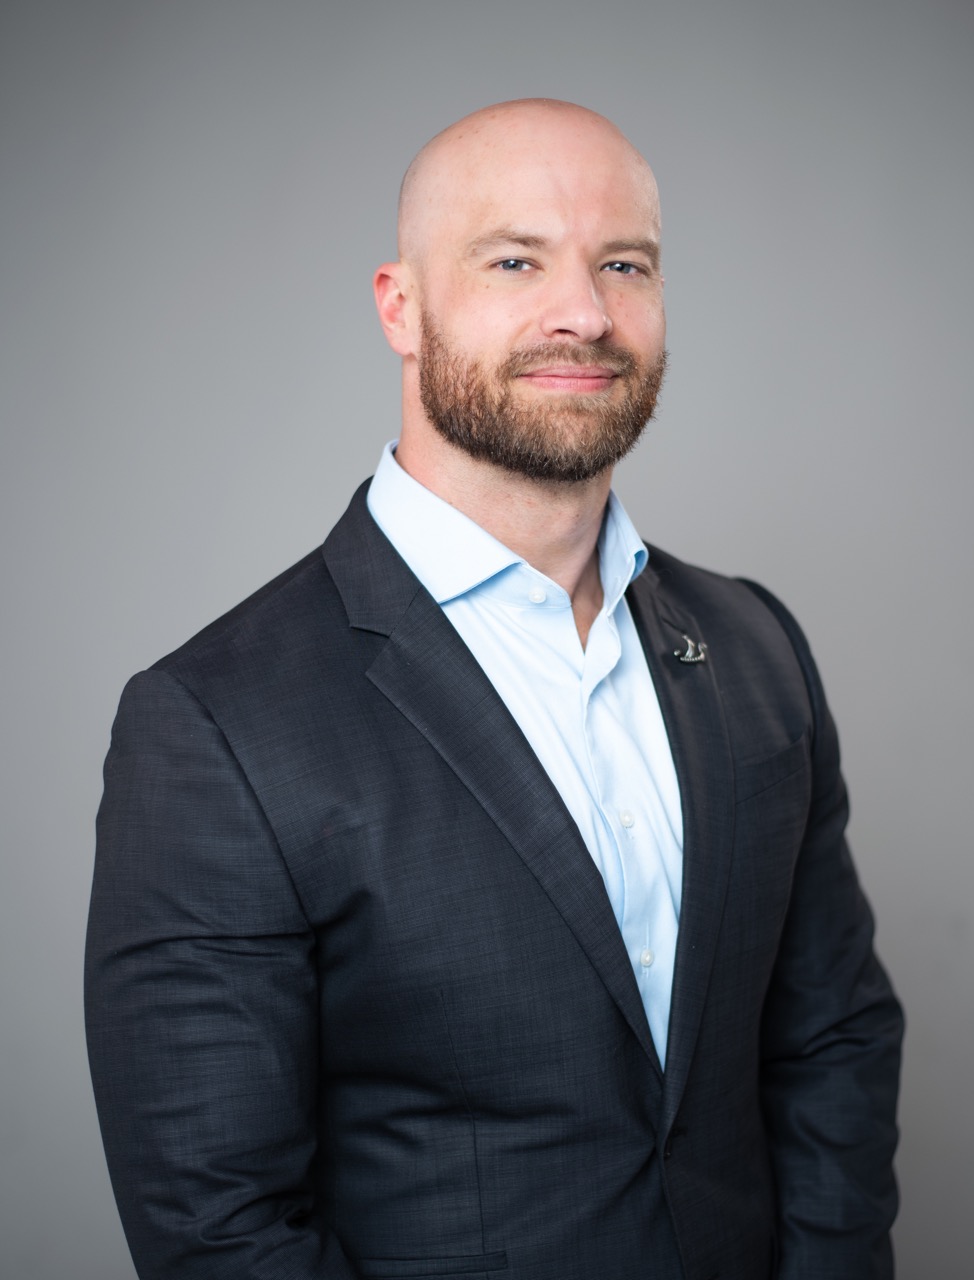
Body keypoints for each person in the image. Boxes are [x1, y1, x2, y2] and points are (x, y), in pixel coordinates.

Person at [85, 99, 903, 1280]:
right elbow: (218, 1226)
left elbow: (832, 1036)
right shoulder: (215, 722)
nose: (583, 311)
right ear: (400, 307)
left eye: (622, 262)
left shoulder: (754, 643)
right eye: (514, 259)